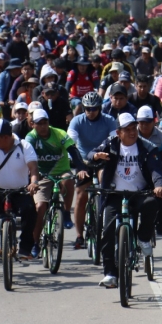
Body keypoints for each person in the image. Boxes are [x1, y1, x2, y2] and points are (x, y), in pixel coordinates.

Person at [89, 113, 162, 288]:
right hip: (115, 194)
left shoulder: (148, 147)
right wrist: (95, 157)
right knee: (106, 231)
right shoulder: (111, 144)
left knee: (151, 204)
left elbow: (156, 170)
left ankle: (143, 238)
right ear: (118, 132)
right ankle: (110, 273)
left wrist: (159, 185)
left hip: (139, 193)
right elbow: (91, 154)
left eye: (134, 129)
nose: (132, 132)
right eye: (127, 130)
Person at [0, 119, 40, 259]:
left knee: (30, 211)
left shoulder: (24, 146)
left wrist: (34, 183)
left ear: (5, 137)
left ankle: (25, 247)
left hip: (19, 190)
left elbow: (33, 169)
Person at [25, 109, 87, 256]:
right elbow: (25, 157)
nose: (43, 126)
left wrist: (81, 168)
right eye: (39, 123)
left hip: (61, 172)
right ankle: (35, 243)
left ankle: (65, 213)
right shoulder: (31, 138)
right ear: (33, 124)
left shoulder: (59, 134)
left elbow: (73, 151)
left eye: (45, 123)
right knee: (40, 207)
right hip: (41, 175)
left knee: (69, 179)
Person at [67, 92, 118, 249]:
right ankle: (79, 236)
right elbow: (71, 142)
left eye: (94, 108)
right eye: (88, 109)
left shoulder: (109, 120)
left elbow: (114, 140)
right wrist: (78, 164)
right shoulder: (77, 121)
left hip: (103, 157)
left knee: (105, 183)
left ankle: (105, 217)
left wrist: (103, 154)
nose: (91, 111)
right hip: (84, 161)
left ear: (100, 108)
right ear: (83, 108)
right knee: (81, 195)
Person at [136, 106, 162, 235]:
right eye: (141, 122)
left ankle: (161, 219)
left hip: (156, 173)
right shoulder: (131, 134)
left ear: (154, 121)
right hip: (135, 173)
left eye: (148, 122)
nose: (144, 125)